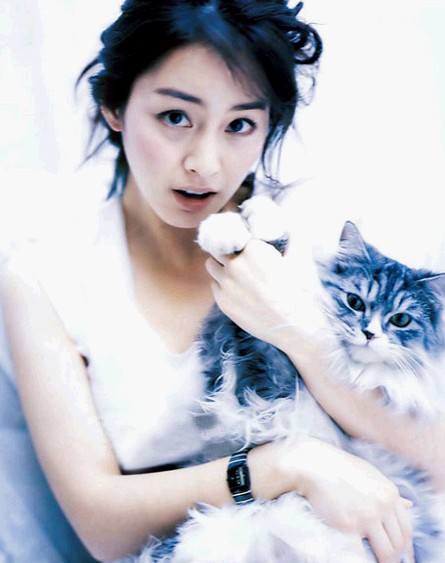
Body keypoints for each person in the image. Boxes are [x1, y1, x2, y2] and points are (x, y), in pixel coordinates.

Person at [1, 1, 443, 561]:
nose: (205, 163)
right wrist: (288, 465)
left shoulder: (318, 235)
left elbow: (434, 460)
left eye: (239, 125)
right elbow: (103, 526)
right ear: (114, 105)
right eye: (175, 117)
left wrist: (295, 329)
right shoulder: (47, 276)